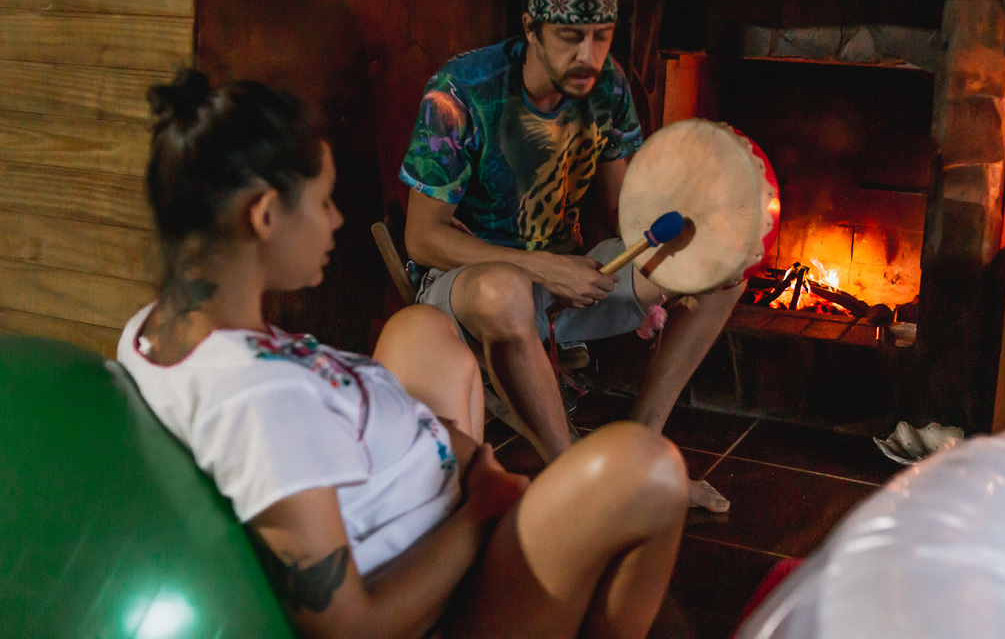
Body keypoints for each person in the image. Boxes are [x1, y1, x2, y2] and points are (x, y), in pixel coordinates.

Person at [117, 70, 689, 639]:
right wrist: (478, 512)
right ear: (265, 216)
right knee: (649, 469)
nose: (337, 220)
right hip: (445, 594)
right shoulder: (263, 405)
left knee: (419, 325)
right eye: (322, 202)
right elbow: (351, 628)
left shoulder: (154, 332)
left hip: (426, 496)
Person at [400, 0, 742, 512]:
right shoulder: (462, 90)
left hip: (570, 278)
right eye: (570, 37)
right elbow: (422, 238)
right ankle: (578, 478)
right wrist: (543, 266)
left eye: (602, 36)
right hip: (465, 290)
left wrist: (693, 209)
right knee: (506, 289)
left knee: (721, 269)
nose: (589, 54)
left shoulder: (608, 87)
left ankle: (639, 449)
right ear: (531, 28)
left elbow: (620, 217)